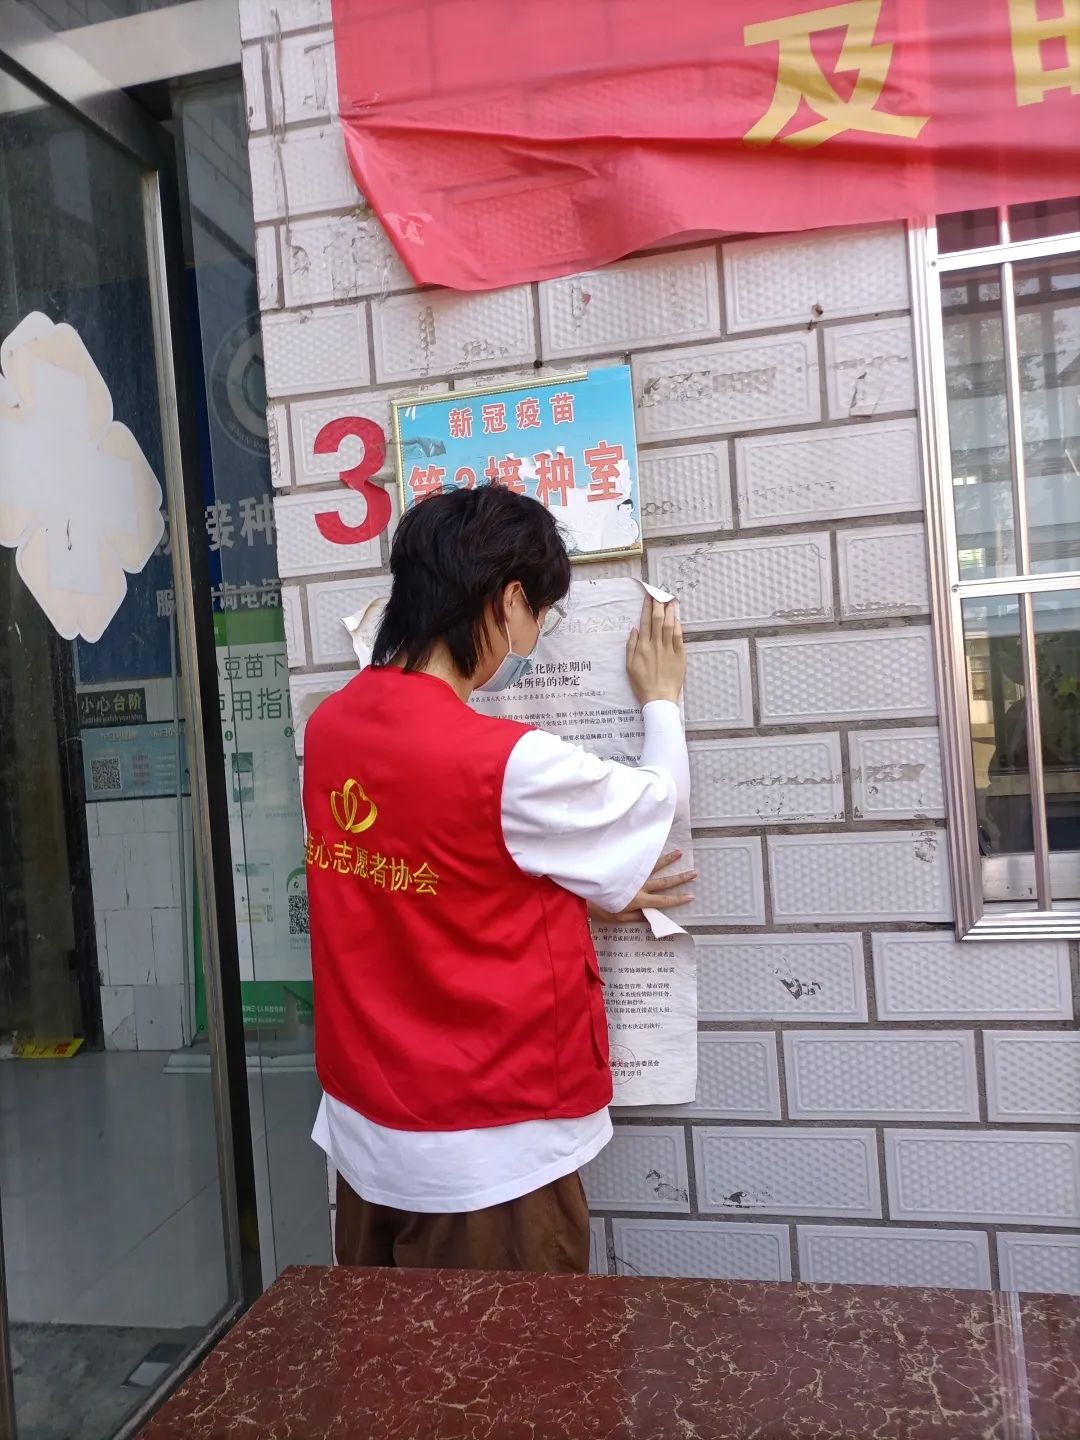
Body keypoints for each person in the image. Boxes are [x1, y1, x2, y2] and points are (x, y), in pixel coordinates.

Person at [302, 483, 692, 1274]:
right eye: (541, 615)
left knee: (385, 1350)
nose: (535, 636)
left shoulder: (330, 727)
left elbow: (428, 872)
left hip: (366, 1136)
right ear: (510, 600)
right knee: (513, 1357)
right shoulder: (504, 762)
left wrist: (560, 889)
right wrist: (662, 702)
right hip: (487, 1157)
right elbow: (655, 807)